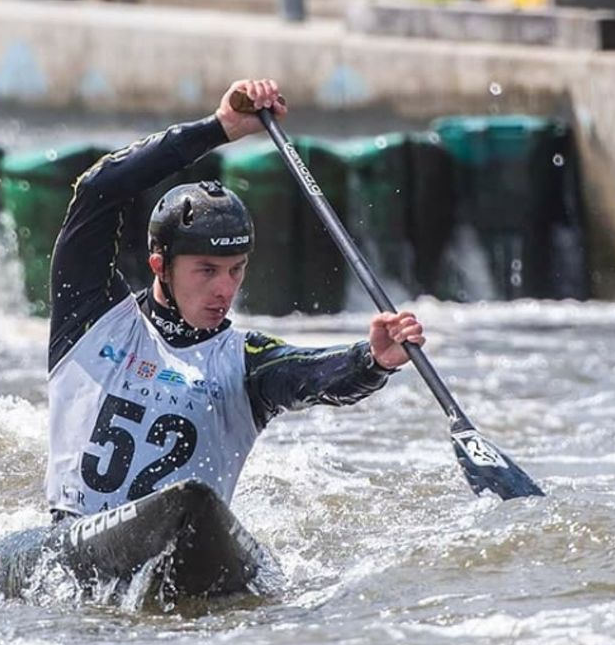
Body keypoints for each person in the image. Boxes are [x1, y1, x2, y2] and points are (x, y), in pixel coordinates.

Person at [46, 78, 424, 520]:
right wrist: (220, 128)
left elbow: (312, 376)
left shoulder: (245, 362)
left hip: (187, 543)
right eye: (206, 270)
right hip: (70, 538)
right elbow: (98, 190)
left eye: (236, 269)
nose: (225, 288)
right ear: (159, 265)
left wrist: (372, 361)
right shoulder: (91, 318)